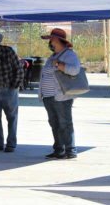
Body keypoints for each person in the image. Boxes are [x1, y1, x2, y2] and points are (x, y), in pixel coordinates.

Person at [39, 28, 81, 159]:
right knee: (55, 123)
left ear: (58, 40)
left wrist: (60, 65)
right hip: (49, 97)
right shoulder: (53, 56)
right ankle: (59, 149)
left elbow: (75, 70)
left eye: (51, 39)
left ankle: (70, 150)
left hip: (61, 97)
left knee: (65, 123)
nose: (50, 42)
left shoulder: (69, 55)